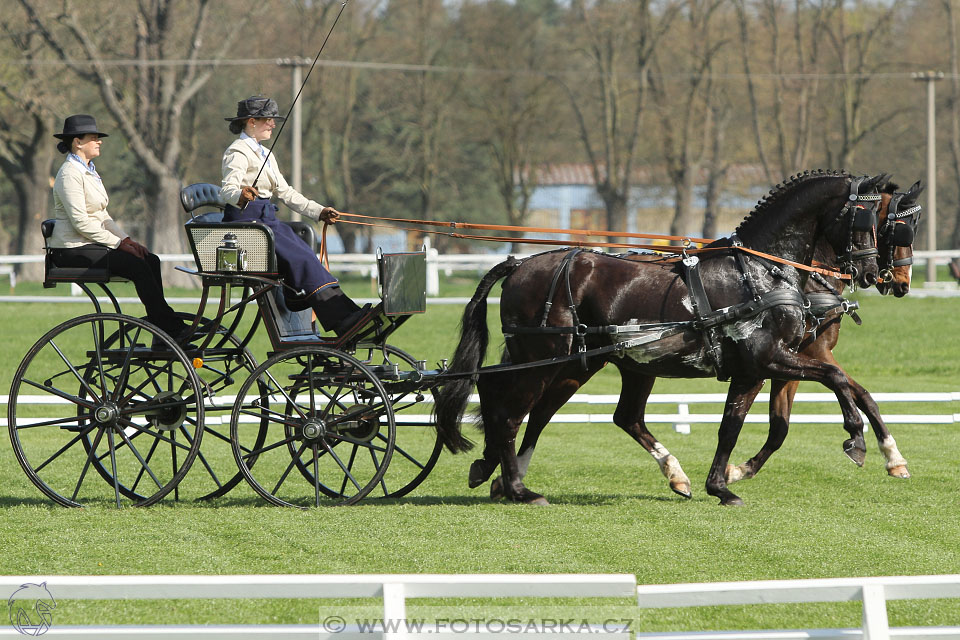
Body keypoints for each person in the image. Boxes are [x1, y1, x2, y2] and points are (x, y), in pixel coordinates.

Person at [220, 95, 369, 336]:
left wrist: (318, 211)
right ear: (251, 122)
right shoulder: (237, 151)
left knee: (306, 255)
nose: (272, 124)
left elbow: (286, 193)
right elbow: (227, 189)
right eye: (268, 119)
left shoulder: (265, 154)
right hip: (247, 225)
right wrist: (240, 194)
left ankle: (345, 312)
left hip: (267, 222)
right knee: (302, 259)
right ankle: (342, 319)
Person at [48, 114, 190, 342]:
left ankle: (161, 325)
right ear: (78, 142)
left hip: (91, 243)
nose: (99, 141)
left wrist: (128, 240)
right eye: (93, 137)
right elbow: (81, 222)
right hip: (73, 249)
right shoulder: (69, 175)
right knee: (138, 267)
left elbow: (103, 215)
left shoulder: (89, 171)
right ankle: (168, 326)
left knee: (150, 260)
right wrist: (118, 244)